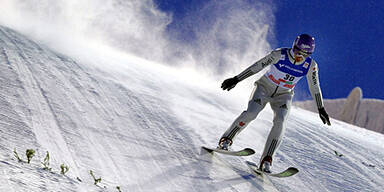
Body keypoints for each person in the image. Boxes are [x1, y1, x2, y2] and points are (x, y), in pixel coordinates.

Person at [218, 34, 331, 173]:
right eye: (297, 52)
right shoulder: (279, 54)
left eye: (304, 55)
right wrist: (236, 79)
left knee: (281, 121)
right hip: (264, 88)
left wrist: (321, 108)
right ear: (293, 47)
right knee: (252, 113)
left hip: (284, 95)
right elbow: (258, 66)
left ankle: (267, 159)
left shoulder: (310, 65)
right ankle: (227, 139)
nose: (299, 57)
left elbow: (314, 86)